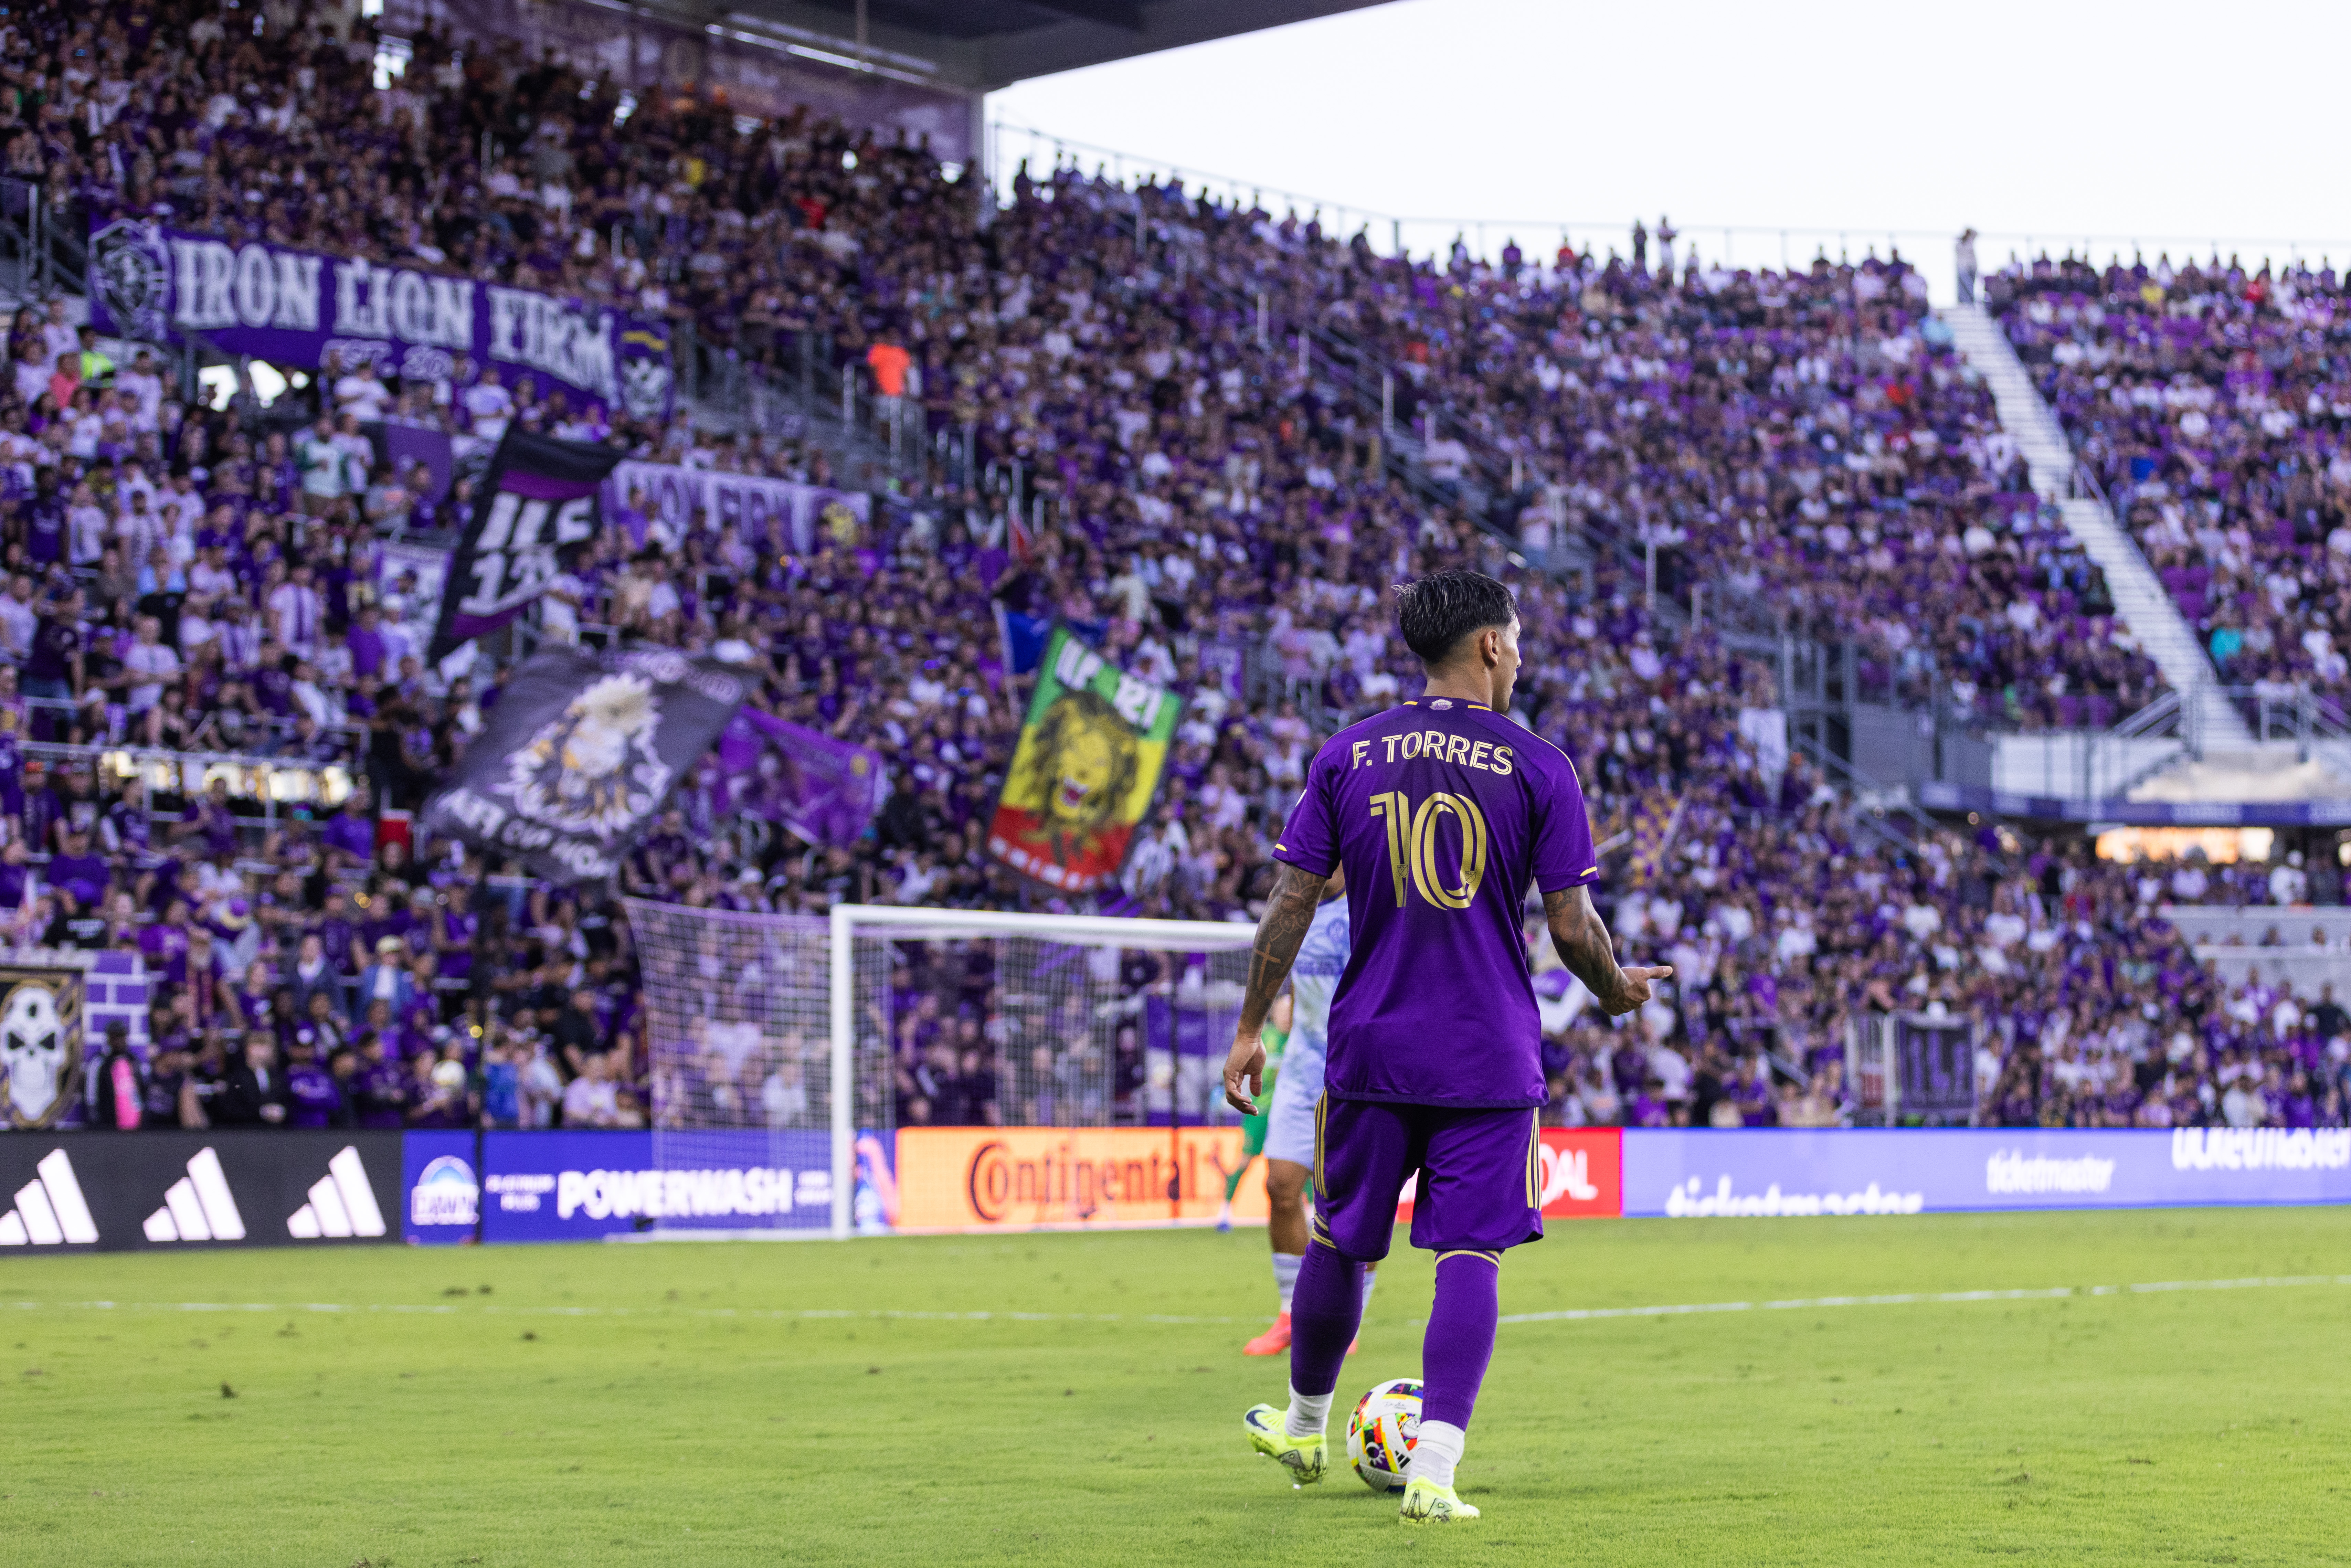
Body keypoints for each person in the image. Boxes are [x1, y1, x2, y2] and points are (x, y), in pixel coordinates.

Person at [1226, 568, 1669, 1525]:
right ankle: (1433, 1471)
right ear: (1492, 646)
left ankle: (1303, 1427)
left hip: (1372, 1046)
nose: (1521, 659)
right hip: (1487, 1054)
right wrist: (1615, 987)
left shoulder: (1348, 752)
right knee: (1471, 1251)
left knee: (1341, 1236)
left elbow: (1291, 902)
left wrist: (1251, 1024)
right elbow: (1572, 926)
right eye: (1519, 643)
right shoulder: (1540, 765)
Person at [1239, 866, 1379, 1355]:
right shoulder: (1295, 907)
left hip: (1362, 1073)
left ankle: (1348, 1321)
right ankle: (1291, 1315)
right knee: (1280, 1188)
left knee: (1356, 1203)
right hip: (1303, 1071)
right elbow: (1299, 979)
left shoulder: (1371, 902)